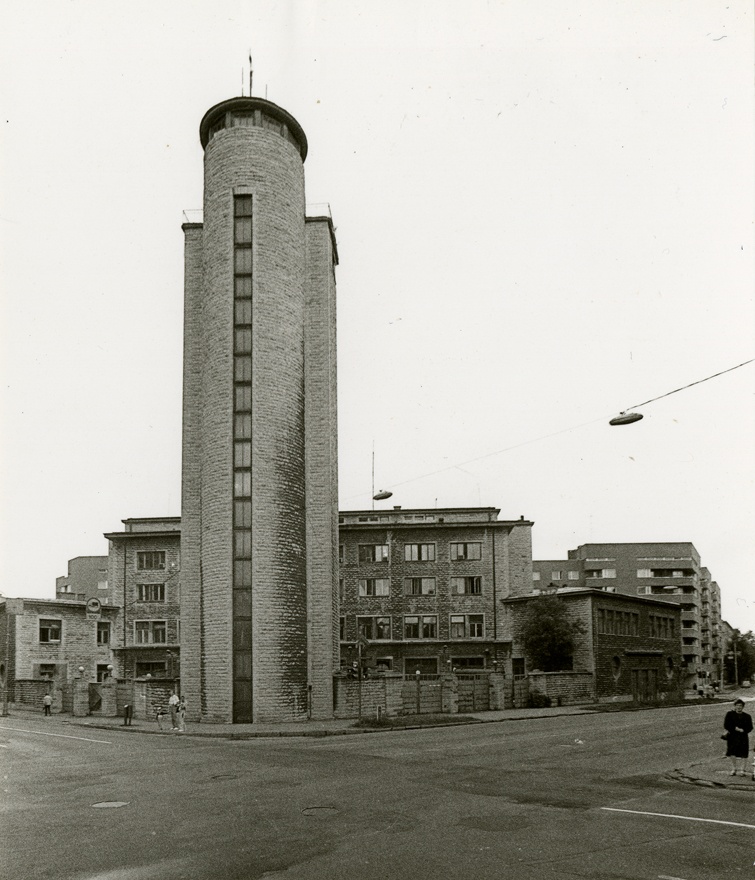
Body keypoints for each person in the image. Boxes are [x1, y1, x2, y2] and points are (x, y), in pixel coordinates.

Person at [723, 698, 753, 776]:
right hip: (732, 736)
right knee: (732, 752)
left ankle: (742, 770)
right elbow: (726, 725)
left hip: (743, 737)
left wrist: (743, 730)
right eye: (737, 705)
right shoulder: (730, 714)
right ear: (735, 706)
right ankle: (734, 769)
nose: (739, 707)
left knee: (744, 753)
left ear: (743, 707)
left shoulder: (747, 716)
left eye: (740, 706)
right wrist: (735, 728)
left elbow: (750, 727)